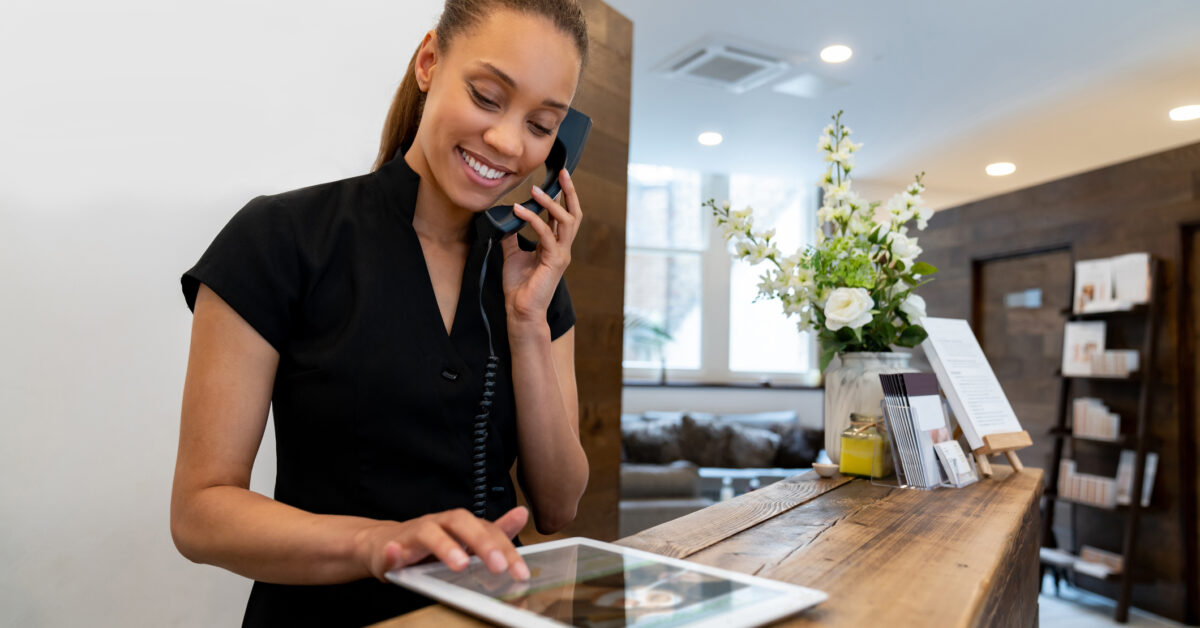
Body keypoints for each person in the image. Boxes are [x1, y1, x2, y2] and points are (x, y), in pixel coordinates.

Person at [170, 1, 591, 625]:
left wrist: (528, 322)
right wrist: (378, 544)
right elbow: (199, 513)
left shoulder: (530, 278)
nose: (507, 142)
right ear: (429, 63)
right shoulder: (280, 238)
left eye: (542, 124)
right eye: (486, 96)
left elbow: (558, 507)